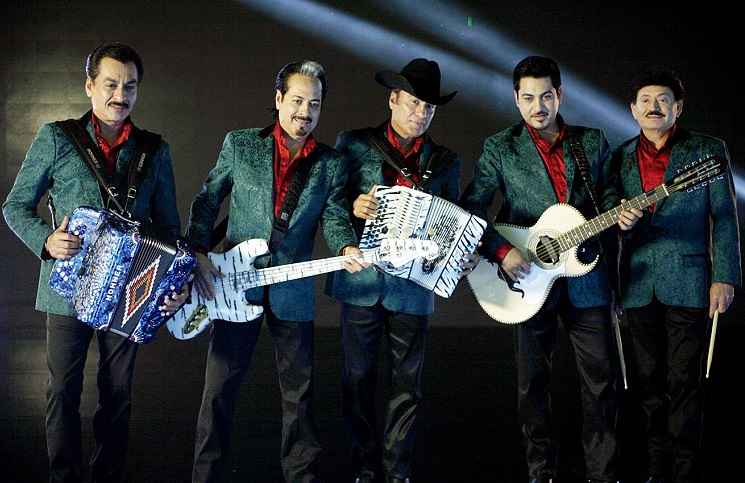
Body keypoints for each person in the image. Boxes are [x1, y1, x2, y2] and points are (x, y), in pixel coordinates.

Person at [3, 42, 186, 483]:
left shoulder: (154, 150)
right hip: (66, 290)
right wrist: (46, 241)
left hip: (130, 292)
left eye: (130, 86)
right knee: (63, 392)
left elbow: (169, 228)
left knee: (117, 393)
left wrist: (174, 282)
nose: (120, 95)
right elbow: (14, 206)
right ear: (89, 86)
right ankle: (63, 477)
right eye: (110, 84)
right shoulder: (56, 137)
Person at [460, 55, 641, 483]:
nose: (537, 106)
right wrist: (501, 251)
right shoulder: (500, 147)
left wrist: (619, 211)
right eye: (528, 98)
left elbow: (608, 192)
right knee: (532, 384)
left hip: (587, 277)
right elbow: (472, 208)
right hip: (526, 279)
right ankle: (541, 472)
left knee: (600, 380)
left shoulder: (591, 141)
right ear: (515, 99)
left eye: (545, 96)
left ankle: (602, 473)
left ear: (559, 95)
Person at [187, 60, 366, 483]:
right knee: (219, 391)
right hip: (234, 284)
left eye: (315, 104)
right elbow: (208, 200)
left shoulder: (331, 163)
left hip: (292, 288)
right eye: (298, 101)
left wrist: (346, 245)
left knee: (299, 397)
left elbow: (334, 216)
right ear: (279, 99)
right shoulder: (240, 144)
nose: (305, 112)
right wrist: (197, 251)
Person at [325, 58, 475, 483]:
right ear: (393, 99)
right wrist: (352, 216)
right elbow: (332, 206)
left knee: (408, 386)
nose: (420, 113)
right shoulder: (353, 144)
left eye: (429, 107)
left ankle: (398, 472)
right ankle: (364, 467)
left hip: (413, 286)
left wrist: (457, 252)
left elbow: (452, 221)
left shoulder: (444, 160)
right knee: (357, 378)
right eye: (413, 103)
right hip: (362, 279)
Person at [612, 67, 741, 483]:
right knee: (647, 384)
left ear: (678, 108)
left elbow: (724, 217)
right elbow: (610, 215)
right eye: (645, 100)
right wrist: (620, 221)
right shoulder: (619, 156)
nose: (654, 107)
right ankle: (656, 469)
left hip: (689, 281)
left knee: (685, 381)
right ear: (633, 110)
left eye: (663, 100)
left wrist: (725, 276)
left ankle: (685, 472)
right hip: (636, 284)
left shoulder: (708, 150)